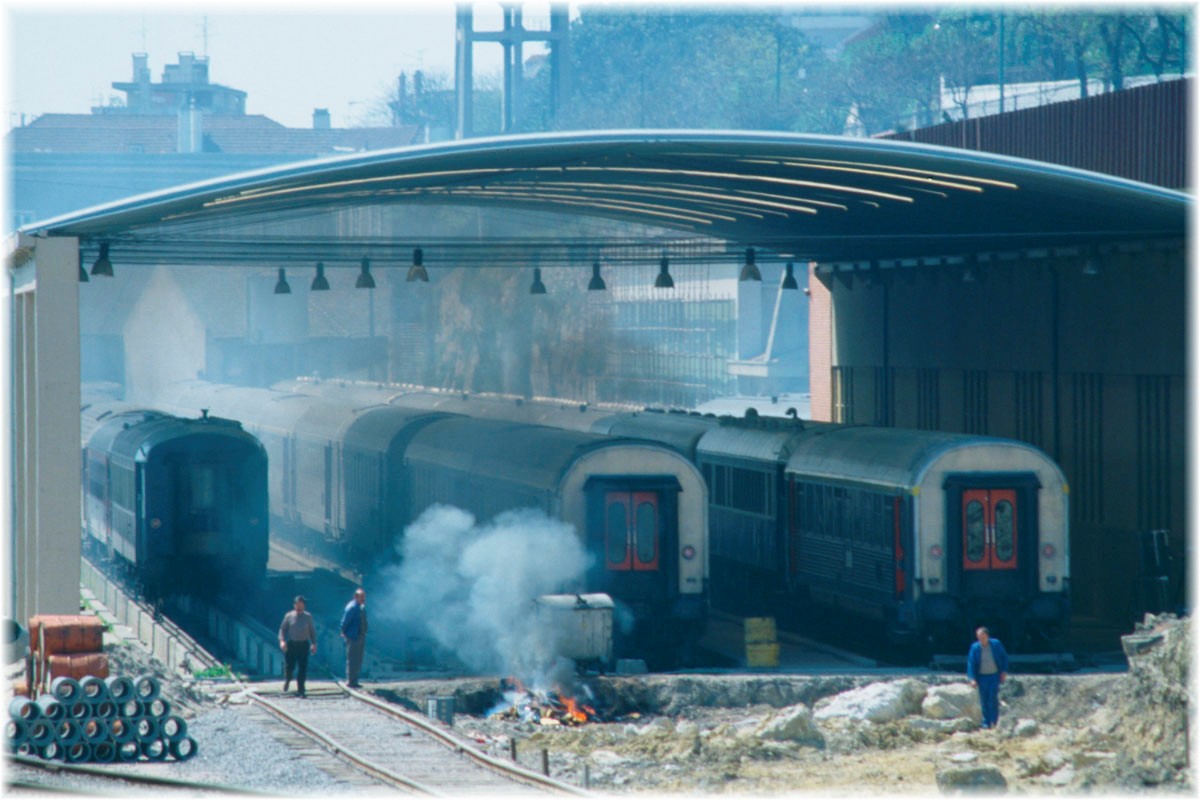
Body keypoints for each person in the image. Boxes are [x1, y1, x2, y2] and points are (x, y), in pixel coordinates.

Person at [966, 626, 1009, 729]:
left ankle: (994, 721)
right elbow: (971, 663)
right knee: (984, 700)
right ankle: (986, 723)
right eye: (979, 637)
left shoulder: (996, 644)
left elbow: (1004, 658)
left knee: (992, 698)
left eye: (983, 636)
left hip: (994, 676)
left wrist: (1004, 671)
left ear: (987, 636)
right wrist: (972, 678)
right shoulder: (975, 647)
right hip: (982, 677)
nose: (981, 639)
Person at [278, 595, 317, 698]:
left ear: (304, 605)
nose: (299, 607)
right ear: (294, 605)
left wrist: (313, 643)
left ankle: (301, 689)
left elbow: (312, 632)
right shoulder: (289, 616)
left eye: (301, 605)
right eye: (297, 605)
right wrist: (282, 641)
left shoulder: (308, 617)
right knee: (290, 666)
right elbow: (282, 629)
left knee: (302, 668)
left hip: (303, 645)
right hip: (292, 644)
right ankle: (287, 680)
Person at [340, 588, 368, 688]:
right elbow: (345, 621)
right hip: (353, 637)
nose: (363, 599)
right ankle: (350, 681)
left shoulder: (361, 607)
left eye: (364, 597)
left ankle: (355, 681)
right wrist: (343, 631)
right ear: (356, 597)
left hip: (360, 635)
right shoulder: (352, 607)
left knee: (358, 659)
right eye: (361, 597)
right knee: (352, 659)